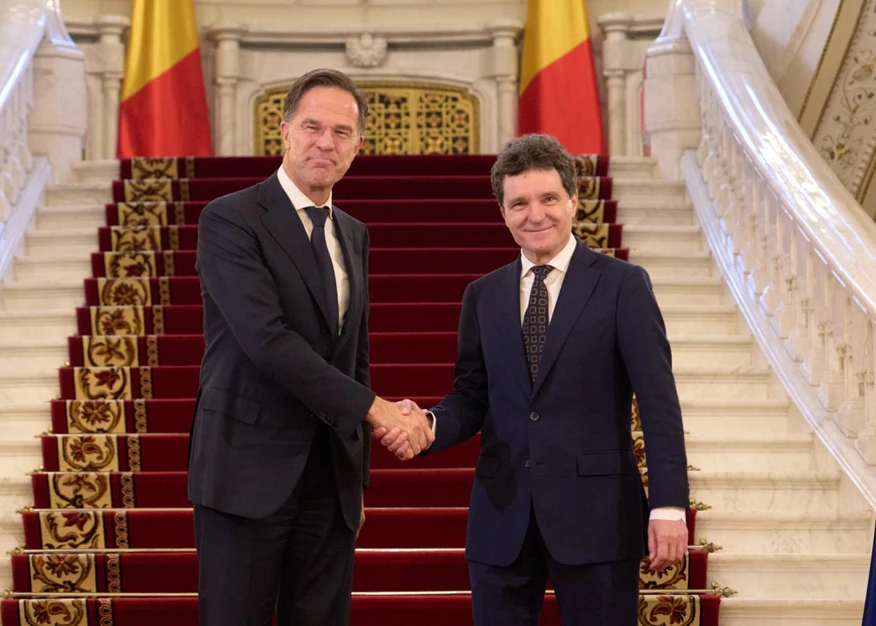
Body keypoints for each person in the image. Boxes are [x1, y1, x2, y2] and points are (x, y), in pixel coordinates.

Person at [388, 134, 690, 625]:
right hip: (501, 520)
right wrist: (428, 424)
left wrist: (669, 506)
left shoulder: (622, 285)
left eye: (548, 198)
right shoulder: (482, 295)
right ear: (503, 212)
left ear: (573, 199)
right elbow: (472, 397)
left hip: (598, 519)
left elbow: (659, 403)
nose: (535, 215)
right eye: (519, 203)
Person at [187, 68, 433, 626]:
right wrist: (376, 411)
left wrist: (355, 478)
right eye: (312, 127)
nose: (326, 142)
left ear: (358, 145)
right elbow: (267, 340)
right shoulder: (229, 219)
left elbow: (354, 355)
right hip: (245, 470)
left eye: (342, 132)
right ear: (285, 132)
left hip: (329, 482)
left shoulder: (354, 233)